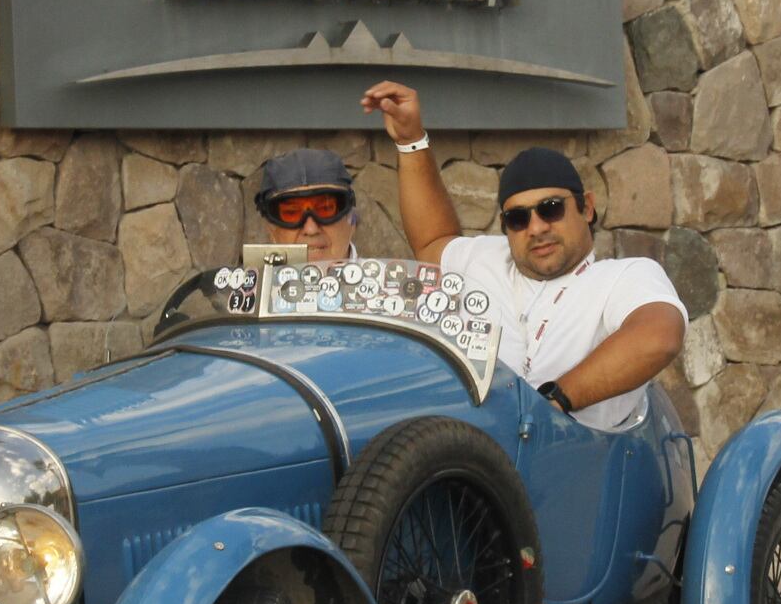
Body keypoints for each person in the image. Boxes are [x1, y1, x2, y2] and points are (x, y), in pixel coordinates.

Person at [361, 80, 686, 431]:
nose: (535, 228)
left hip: (580, 464)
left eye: (550, 209)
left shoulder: (622, 277)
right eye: (517, 218)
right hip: (480, 463)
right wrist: (411, 140)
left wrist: (555, 402)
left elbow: (660, 335)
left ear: (587, 207)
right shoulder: (487, 259)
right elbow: (432, 240)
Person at [253, 147, 359, 262]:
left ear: (352, 220)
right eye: (292, 213)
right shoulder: (252, 279)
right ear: (271, 229)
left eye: (325, 209)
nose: (311, 230)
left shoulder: (381, 279)